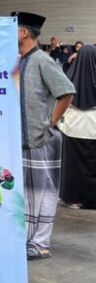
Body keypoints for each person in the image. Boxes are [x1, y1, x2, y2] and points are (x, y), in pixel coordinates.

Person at [12, 11, 75, 260]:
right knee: (28, 192)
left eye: (14, 28)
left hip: (41, 138)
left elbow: (67, 92)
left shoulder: (41, 60)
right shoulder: (21, 60)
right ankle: (28, 239)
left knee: (44, 191)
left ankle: (40, 244)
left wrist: (51, 122)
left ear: (24, 32)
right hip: (25, 139)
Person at [59, 44, 96, 209]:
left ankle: (72, 198)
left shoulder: (69, 76)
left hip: (74, 125)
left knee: (73, 165)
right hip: (93, 124)